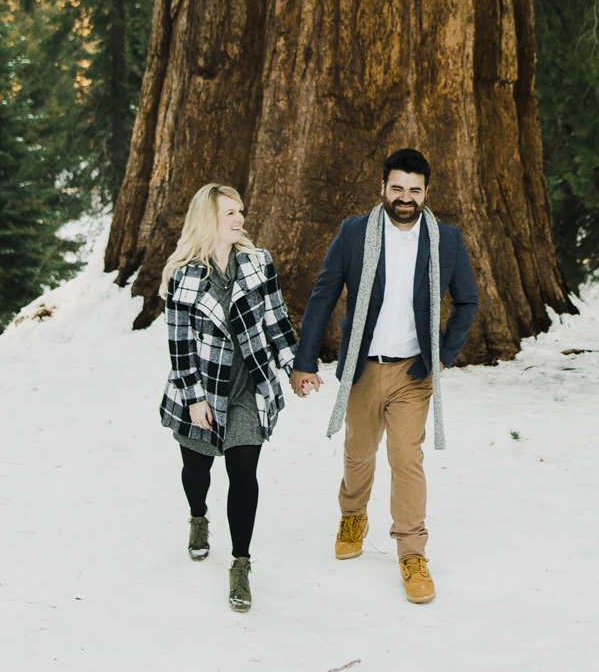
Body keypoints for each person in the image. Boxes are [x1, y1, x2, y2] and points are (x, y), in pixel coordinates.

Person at [290, 148, 478, 604]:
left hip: (413, 372)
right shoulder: (355, 233)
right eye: (397, 187)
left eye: (415, 190)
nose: (405, 197)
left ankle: (412, 551)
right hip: (363, 368)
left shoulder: (446, 240)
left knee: (406, 459)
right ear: (383, 188)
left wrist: (441, 356)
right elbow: (324, 293)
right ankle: (353, 514)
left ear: (426, 193)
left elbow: (467, 301)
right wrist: (304, 360)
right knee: (358, 454)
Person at [159, 182, 299, 613]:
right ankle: (198, 518)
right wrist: (194, 398)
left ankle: (241, 563)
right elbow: (179, 344)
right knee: (197, 471)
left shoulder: (258, 263)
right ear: (209, 221)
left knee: (243, 473)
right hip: (200, 388)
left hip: (248, 386)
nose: (240, 220)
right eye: (230, 214)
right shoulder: (182, 275)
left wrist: (295, 367)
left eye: (241, 212)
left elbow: (277, 319)